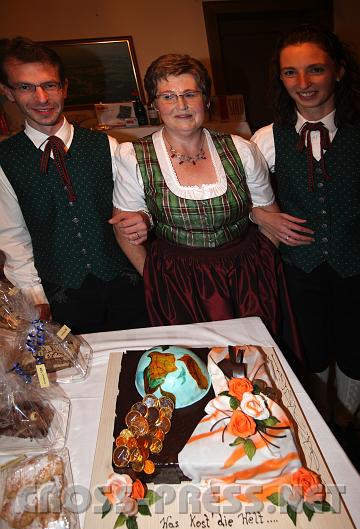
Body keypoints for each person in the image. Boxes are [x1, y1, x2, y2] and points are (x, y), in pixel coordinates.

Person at [111, 53, 301, 355]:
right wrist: (155, 278)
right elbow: (124, 229)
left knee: (251, 363)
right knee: (193, 364)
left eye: (190, 94)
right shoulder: (133, 156)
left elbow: (270, 217)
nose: (181, 105)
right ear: (154, 104)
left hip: (245, 279)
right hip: (178, 285)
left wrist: (260, 269)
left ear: (206, 99)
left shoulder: (242, 149)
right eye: (168, 96)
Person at [0, 37, 149, 334]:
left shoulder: (107, 145)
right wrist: (34, 298)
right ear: (8, 93)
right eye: (26, 87)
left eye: (50, 85)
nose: (41, 98)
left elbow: (137, 204)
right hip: (60, 295)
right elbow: (12, 237)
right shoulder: (5, 160)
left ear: (64, 87)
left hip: (126, 285)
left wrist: (143, 218)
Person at [251, 25, 360, 429]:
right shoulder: (266, 139)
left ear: (339, 71)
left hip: (356, 270)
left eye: (315, 69)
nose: (303, 83)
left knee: (355, 356)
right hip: (299, 271)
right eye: (290, 72)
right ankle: (322, 424)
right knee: (309, 354)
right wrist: (259, 214)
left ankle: (347, 428)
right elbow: (232, 193)